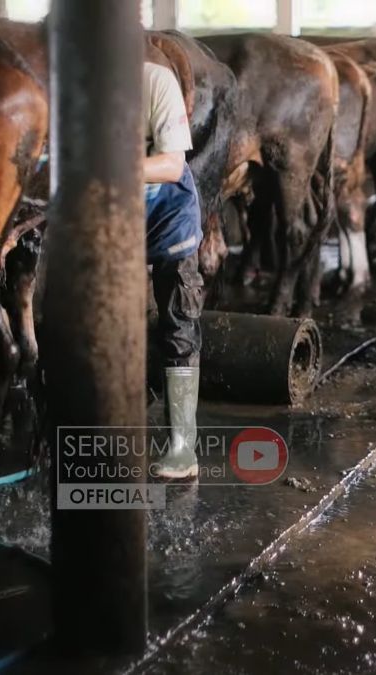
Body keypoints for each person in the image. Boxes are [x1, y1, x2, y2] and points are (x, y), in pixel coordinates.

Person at [143, 60, 205, 479]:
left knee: (178, 322)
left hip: (167, 212)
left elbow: (171, 164)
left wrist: (106, 167)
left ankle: (183, 446)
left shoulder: (155, 80)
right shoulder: (74, 83)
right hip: (109, 211)